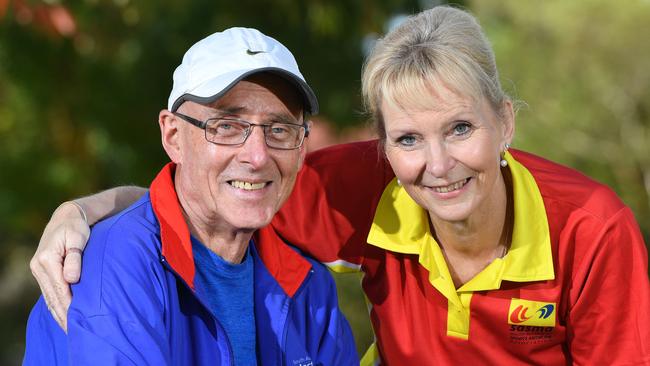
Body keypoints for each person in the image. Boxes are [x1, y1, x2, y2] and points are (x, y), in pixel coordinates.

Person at [30, 6, 650, 365]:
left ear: (506, 121)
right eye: (407, 138)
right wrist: (87, 209)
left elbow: (223, 187)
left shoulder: (590, 228)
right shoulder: (353, 188)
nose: (437, 164)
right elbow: (206, 196)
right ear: (381, 145)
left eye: (461, 128)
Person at [24, 27, 358, 365]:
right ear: (173, 136)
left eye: (279, 130)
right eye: (226, 126)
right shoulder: (116, 262)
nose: (257, 157)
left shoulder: (307, 284)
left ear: (301, 150)